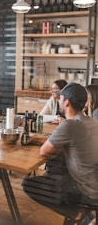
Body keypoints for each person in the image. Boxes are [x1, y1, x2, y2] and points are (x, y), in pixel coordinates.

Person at [22, 82, 98, 224]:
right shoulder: (91, 121)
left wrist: (41, 142)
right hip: (95, 183)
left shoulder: (68, 125)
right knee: (57, 166)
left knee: (28, 184)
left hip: (85, 192)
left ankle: (77, 213)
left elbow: (44, 152)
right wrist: (40, 140)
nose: (59, 100)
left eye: (61, 98)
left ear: (67, 103)